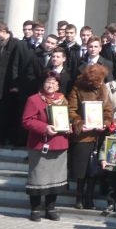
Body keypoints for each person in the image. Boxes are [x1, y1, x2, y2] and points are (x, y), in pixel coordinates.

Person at [21, 71, 70, 221]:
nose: (51, 85)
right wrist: (44, 127)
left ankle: (50, 208)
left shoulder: (63, 100)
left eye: (54, 83)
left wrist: (69, 126)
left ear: (58, 86)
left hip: (59, 143)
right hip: (40, 144)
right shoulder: (34, 100)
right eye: (48, 82)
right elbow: (27, 120)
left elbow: (66, 118)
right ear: (43, 83)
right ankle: (35, 209)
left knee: (55, 178)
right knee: (38, 177)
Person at [67, 64, 113, 210]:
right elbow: (71, 110)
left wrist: (105, 122)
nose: (100, 83)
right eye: (98, 81)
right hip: (83, 135)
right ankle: (79, 197)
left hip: (98, 135)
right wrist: (80, 123)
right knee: (81, 169)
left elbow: (108, 110)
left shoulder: (103, 89)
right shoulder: (77, 88)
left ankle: (89, 197)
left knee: (93, 169)